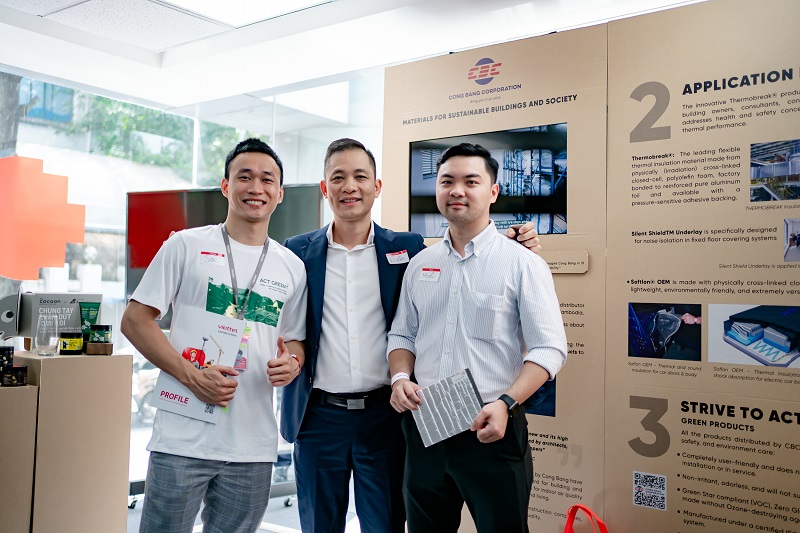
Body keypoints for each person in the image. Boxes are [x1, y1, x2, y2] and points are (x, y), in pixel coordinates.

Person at [280, 138, 543, 533]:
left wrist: (511, 244)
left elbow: (463, 258)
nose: (349, 186)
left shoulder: (407, 249)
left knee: (387, 522)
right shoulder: (297, 251)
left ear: (377, 186)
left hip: (386, 415)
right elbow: (295, 328)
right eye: (338, 177)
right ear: (324, 188)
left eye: (360, 176)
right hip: (319, 416)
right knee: (318, 524)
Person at [120, 138, 308, 533]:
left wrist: (292, 363)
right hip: (181, 438)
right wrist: (191, 375)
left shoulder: (292, 267)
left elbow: (294, 341)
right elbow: (135, 320)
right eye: (245, 177)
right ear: (226, 186)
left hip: (252, 444)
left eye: (266, 180)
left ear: (279, 194)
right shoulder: (185, 245)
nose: (255, 188)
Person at [387, 143, 567, 533]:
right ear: (436, 189)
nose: (457, 191)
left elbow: (550, 348)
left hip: (492, 425)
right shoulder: (420, 265)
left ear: (493, 191)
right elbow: (402, 333)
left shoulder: (523, 263)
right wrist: (400, 378)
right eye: (447, 181)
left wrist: (505, 403)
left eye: (471, 181)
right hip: (427, 424)